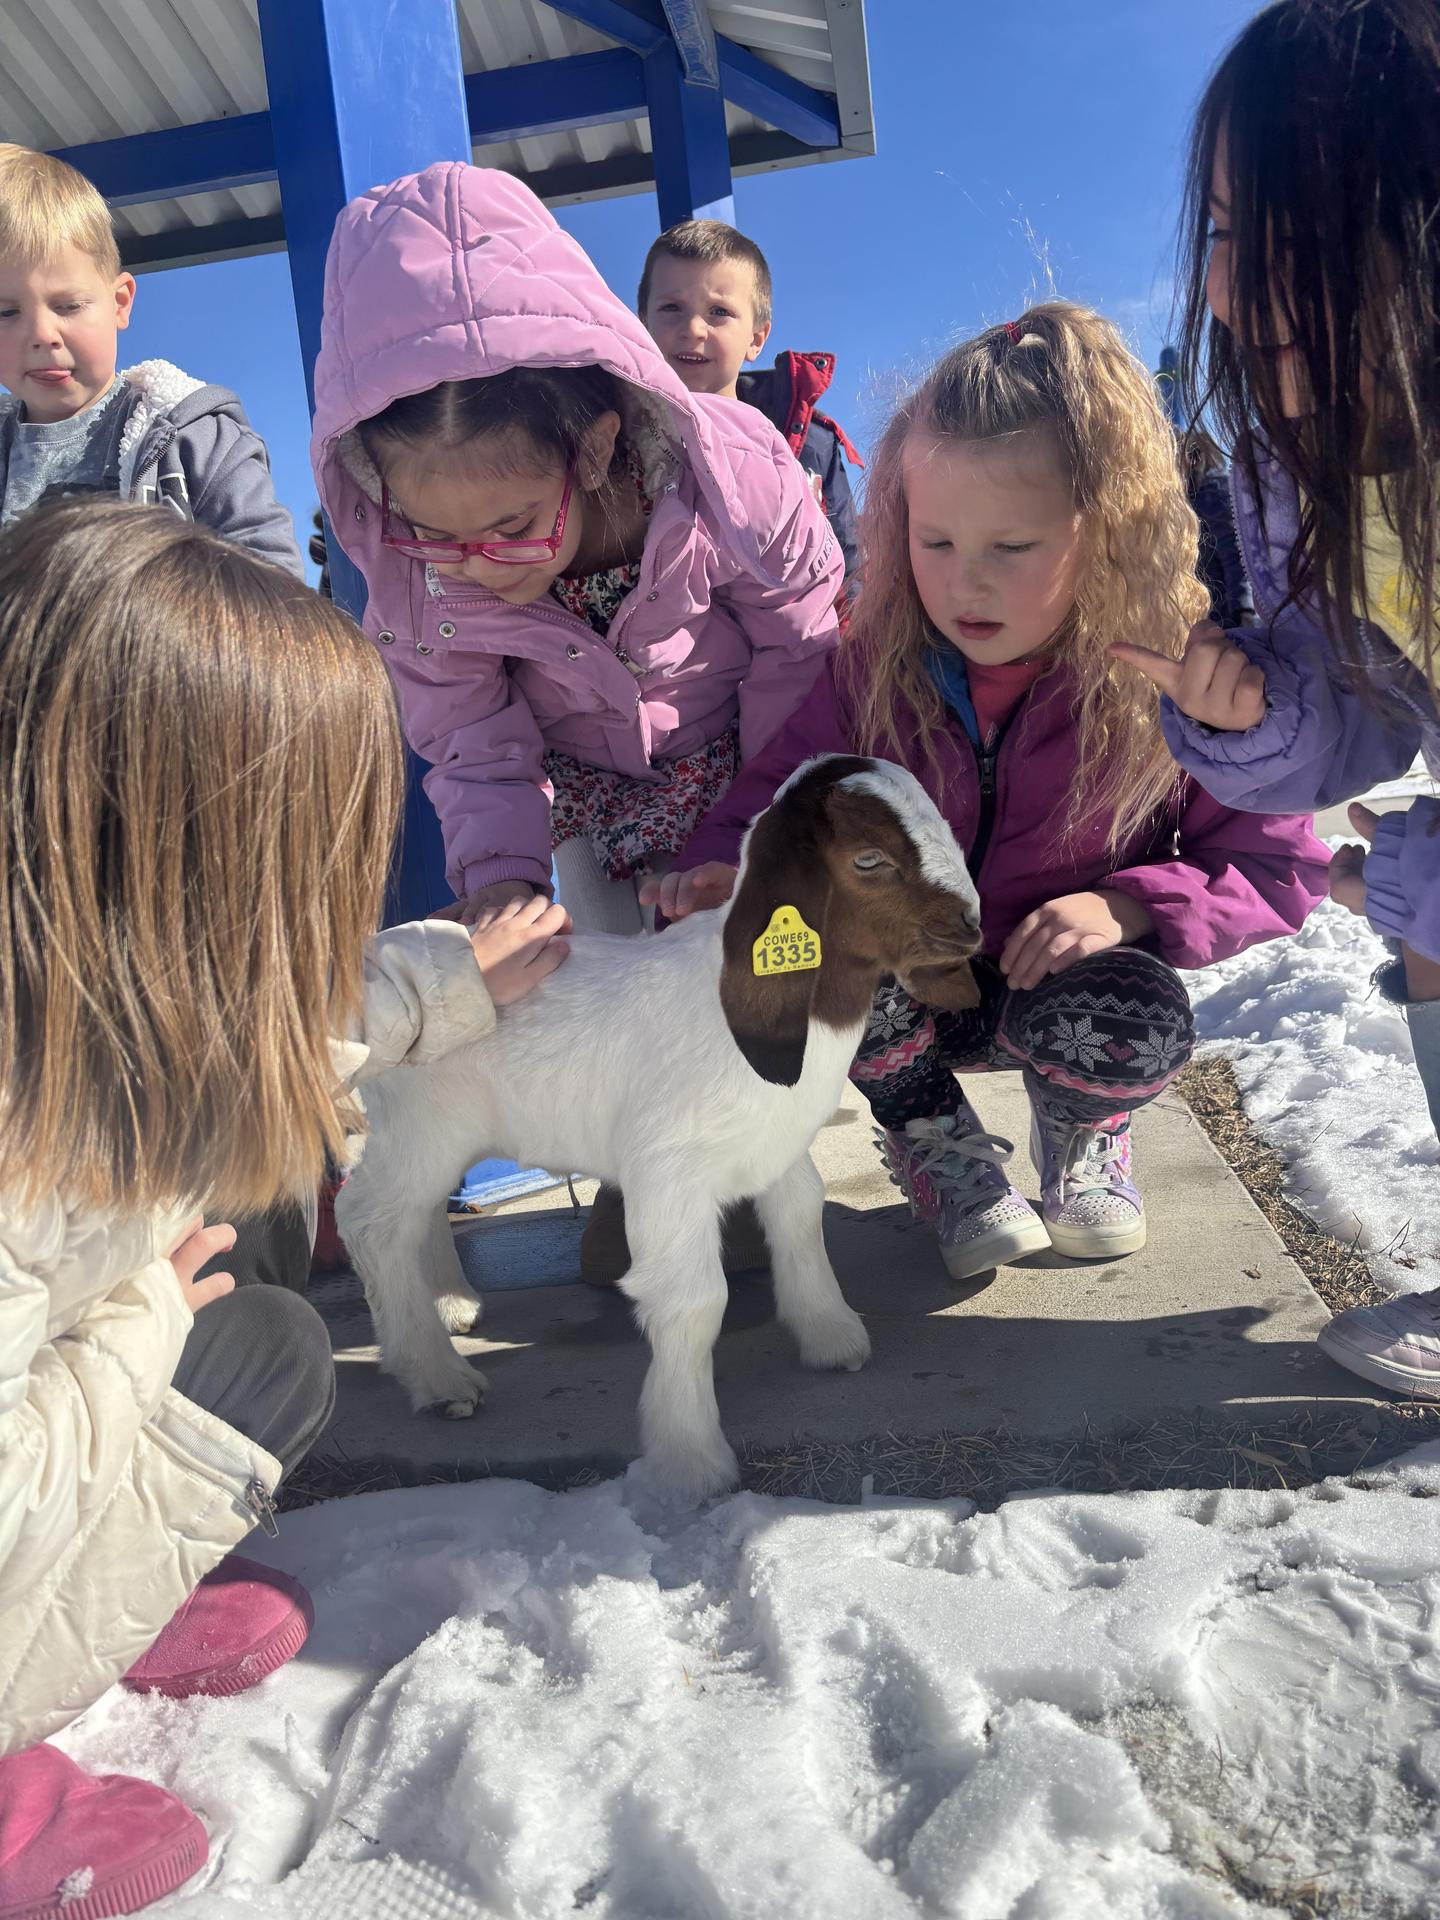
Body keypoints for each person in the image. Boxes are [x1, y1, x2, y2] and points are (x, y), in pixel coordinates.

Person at [0, 502, 570, 1916]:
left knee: (263, 1301)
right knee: (227, 1333)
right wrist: (135, 1323)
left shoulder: (68, 997)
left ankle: (108, 1599)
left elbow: (262, 1035)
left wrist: (446, 988)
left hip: (49, 1403)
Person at [654, 303, 1329, 1280]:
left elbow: (1276, 862)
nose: (966, 584)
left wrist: (1129, 903)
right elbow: (774, 802)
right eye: (934, 544)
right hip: (909, 994)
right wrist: (721, 867)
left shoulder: (1169, 680)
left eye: (1011, 549)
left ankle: (1083, 1125)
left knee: (1134, 1024)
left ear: (1106, 536)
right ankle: (937, 1142)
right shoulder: (868, 673)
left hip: (1064, 978)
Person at [311, 162, 840, 1281]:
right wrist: (502, 873)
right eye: (429, 534)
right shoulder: (423, 582)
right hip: (596, 799)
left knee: (754, 963)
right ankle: (643, 1172)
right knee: (604, 973)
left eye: (505, 528)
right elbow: (472, 736)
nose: (468, 569)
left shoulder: (732, 476)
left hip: (746, 763)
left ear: (595, 447)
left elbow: (801, 654)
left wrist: (761, 833)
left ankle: (779, 1150)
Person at [1114, 0, 1440, 1399]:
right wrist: (1248, 716)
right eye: (1225, 240)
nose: (1239, 291)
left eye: (1294, 237)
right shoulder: (1315, 463)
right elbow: (1361, 718)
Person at [0, 144, 301, 570]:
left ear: (120, 303)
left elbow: (273, 585)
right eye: (6, 312)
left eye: (67, 306)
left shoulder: (195, 439)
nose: (41, 335)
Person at [637, 217, 862, 589]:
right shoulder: (612, 433)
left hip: (797, 641)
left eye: (718, 312)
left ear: (757, 338)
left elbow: (847, 569)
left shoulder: (808, 444)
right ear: (642, 321)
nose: (693, 328)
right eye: (672, 307)